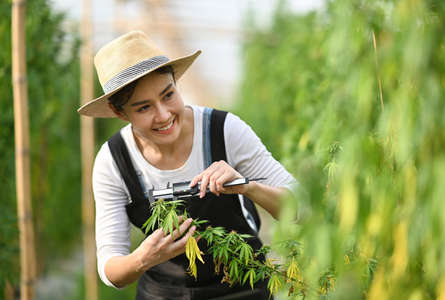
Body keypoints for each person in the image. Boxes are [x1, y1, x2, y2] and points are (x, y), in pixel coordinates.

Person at [78, 30, 297, 300]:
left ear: (176, 83)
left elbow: (300, 208)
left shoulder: (224, 131)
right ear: (119, 112)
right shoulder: (113, 160)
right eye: (144, 107)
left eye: (168, 95)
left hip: (244, 288)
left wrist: (247, 187)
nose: (163, 115)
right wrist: (142, 259)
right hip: (162, 293)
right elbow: (110, 267)